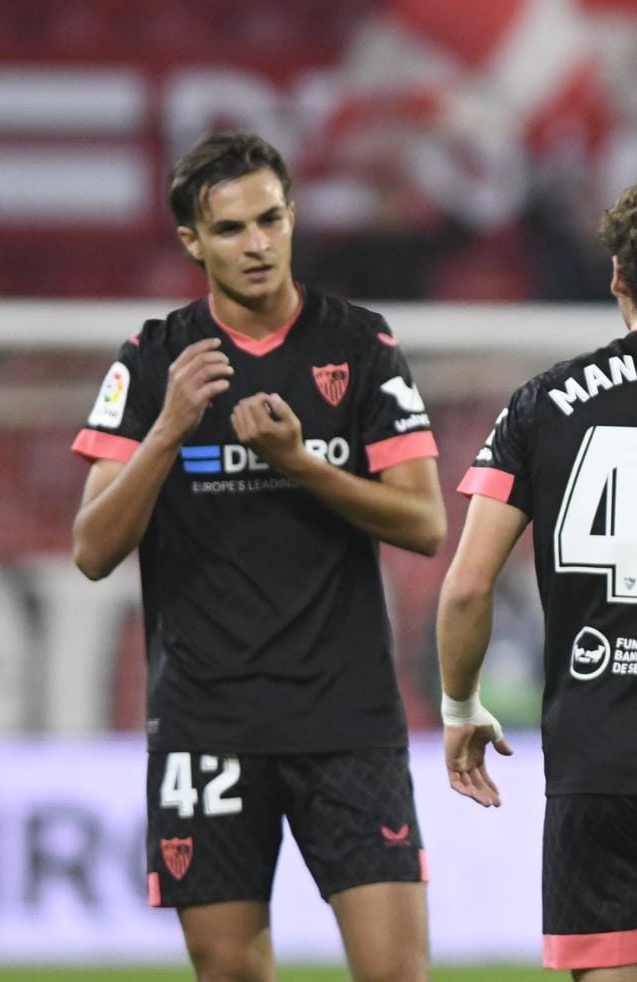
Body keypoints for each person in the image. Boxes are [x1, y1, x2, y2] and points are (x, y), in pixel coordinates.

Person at [70, 132, 444, 982]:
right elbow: (92, 550)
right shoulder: (153, 358)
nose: (257, 244)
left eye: (270, 219)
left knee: (397, 973)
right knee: (229, 972)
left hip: (346, 719)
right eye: (231, 228)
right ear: (192, 243)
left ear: (293, 216)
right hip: (208, 725)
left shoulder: (360, 344)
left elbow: (424, 523)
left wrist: (300, 463)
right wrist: (168, 429)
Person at [437, 179, 637, 982]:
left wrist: (460, 707)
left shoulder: (542, 403)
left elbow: (469, 587)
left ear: (616, 276)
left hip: (597, 771)